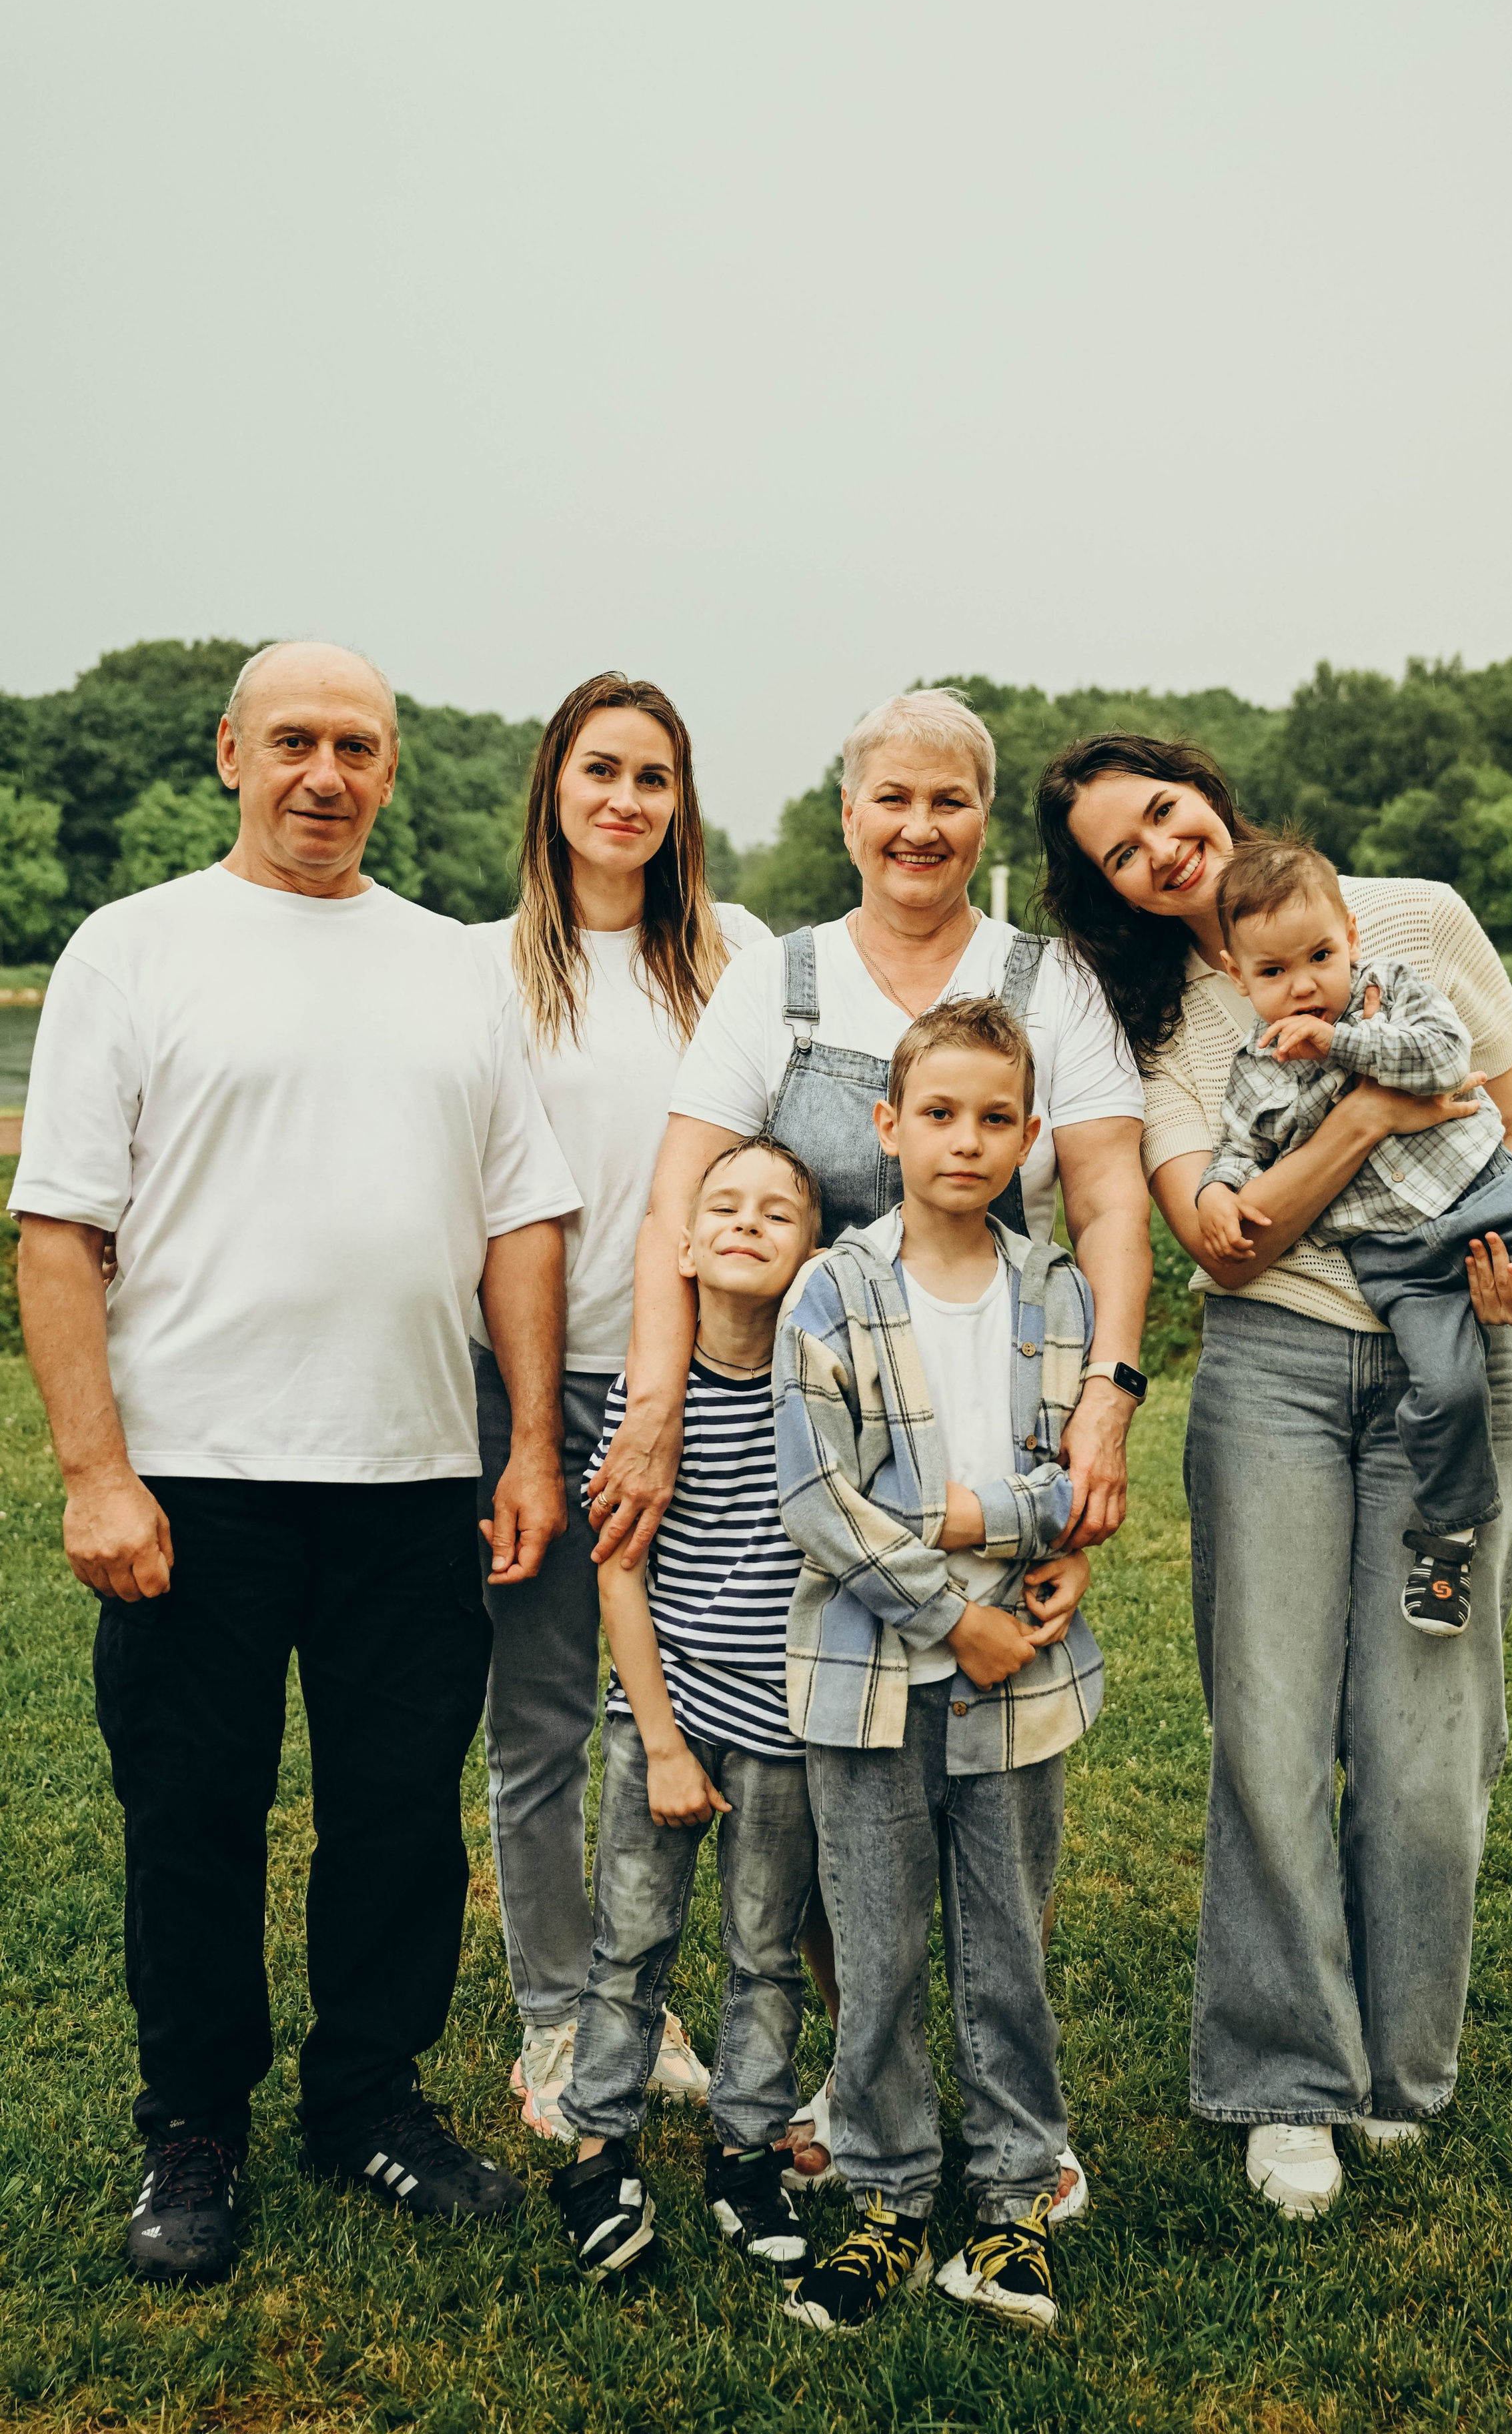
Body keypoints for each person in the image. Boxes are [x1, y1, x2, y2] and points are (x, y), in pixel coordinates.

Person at [11, 640, 578, 2286]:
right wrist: (94, 1473)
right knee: (193, 1810)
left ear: (390, 767)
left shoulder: (455, 968)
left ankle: (368, 2102)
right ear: (229, 753)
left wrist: (529, 1441)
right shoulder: (136, 947)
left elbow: (520, 1221)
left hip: (411, 1470)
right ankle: (194, 2127)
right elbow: (60, 1231)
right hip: (196, 1473)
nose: (325, 774)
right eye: (293, 742)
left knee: (397, 1814)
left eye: (357, 745)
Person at [591, 686, 1149, 2201]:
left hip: (987, 1432)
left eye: (948, 800)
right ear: (847, 815)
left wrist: (1103, 1399)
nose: (917, 827)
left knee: (995, 1795)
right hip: (812, 1442)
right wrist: (656, 1409)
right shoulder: (776, 983)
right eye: (890, 798)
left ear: (984, 818)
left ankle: (1011, 2120)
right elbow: (674, 1205)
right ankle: (865, 2079)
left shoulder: (1045, 981)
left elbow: (1108, 1200)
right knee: (842, 1783)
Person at [1036, 732, 1512, 2220]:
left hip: (1452, 1363)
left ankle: (1402, 2070)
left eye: (1162, 812)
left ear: (1202, 791)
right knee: (1267, 1732)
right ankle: (1284, 2084)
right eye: (1121, 855)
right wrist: (1376, 1112)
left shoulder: (1417, 919)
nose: (1160, 851)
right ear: (1111, 892)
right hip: (1273, 1377)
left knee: (1430, 1738)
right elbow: (1229, 1240)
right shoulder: (1162, 1025)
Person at [468, 672, 771, 2145]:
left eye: (653, 777)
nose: (625, 800)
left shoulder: (737, 959)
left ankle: (650, 2005)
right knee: (538, 1719)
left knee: (705, 1704)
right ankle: (557, 2017)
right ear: (555, 786)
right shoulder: (481, 970)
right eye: (600, 770)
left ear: (680, 803)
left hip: (701, 1383)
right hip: (526, 1382)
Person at [774, 999, 1097, 2335]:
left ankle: (1014, 2198)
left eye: (995, 1118)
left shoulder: (1056, 1292)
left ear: (1028, 1137)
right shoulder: (831, 1291)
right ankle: (887, 2198)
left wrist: (1001, 1525)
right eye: (940, 1114)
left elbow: (1070, 1483)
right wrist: (953, 1606)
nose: (966, 1140)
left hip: (1020, 1676)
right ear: (889, 1126)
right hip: (869, 1675)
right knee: (878, 1949)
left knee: (1005, 1949)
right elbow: (819, 1496)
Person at [1199, 838, 1512, 1632]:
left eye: (1320, 956)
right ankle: (1447, 1535)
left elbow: (1443, 1060)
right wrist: (1216, 1192)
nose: (1302, 985)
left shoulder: (1396, 990)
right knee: (1444, 1390)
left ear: (1350, 938)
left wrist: (1337, 1043)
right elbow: (1239, 1149)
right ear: (1239, 977)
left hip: (1496, 1193)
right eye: (1273, 972)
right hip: (1394, 1255)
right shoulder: (1254, 1071)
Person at [550, 1136, 822, 2285]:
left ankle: (745, 2156)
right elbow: (617, 1573)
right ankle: (598, 2155)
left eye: (778, 1212)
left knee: (767, 1956)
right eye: (724, 1207)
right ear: (685, 1246)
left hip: (786, 1733)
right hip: (661, 1721)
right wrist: (661, 1742)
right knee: (629, 1945)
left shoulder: (821, 1394)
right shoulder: (650, 1400)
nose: (747, 1222)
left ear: (814, 1251)